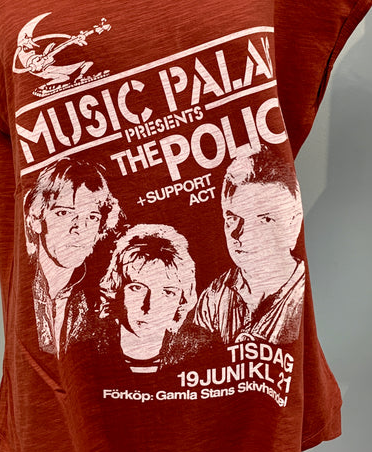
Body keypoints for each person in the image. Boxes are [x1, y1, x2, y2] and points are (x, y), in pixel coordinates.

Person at [195, 148, 305, 346]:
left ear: (293, 225)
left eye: (265, 220)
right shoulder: (215, 295)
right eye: (232, 219)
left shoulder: (304, 295)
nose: (240, 234)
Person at [23, 157, 122, 356]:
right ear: (36, 220)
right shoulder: (24, 288)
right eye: (64, 213)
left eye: (92, 217)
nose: (80, 228)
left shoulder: (101, 302)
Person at [97, 223, 216, 373]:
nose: (150, 307)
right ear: (116, 290)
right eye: (137, 288)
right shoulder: (89, 348)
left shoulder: (201, 352)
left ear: (182, 301)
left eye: (168, 293)